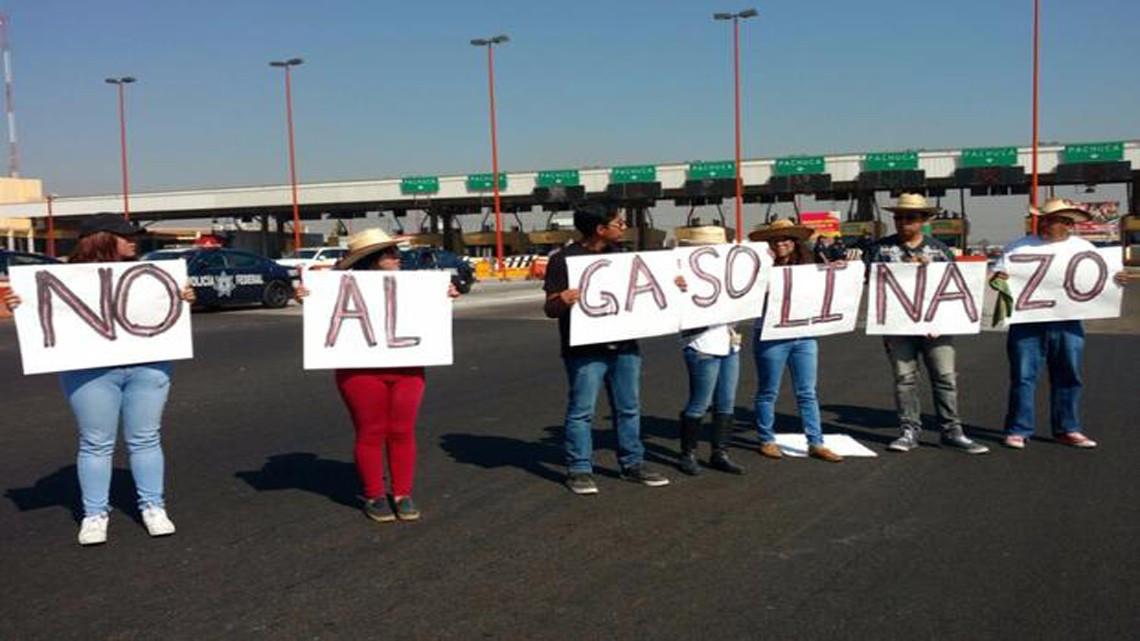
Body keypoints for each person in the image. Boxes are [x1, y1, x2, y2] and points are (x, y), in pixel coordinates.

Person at [2, 213, 196, 546]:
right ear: (102, 238)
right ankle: (95, 514)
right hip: (89, 370)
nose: (133, 240)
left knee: (146, 438)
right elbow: (37, 307)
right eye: (125, 235)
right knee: (95, 442)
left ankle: (153, 506)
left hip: (149, 365)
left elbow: (166, 306)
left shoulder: (149, 274)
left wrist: (186, 296)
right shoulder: (58, 277)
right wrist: (17, 302)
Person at [296, 227, 459, 523]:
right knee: (371, 430)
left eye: (396, 252)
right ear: (370, 259)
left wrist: (444, 296)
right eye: (389, 253)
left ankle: (402, 493)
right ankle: (374, 493)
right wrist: (306, 296)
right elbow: (320, 307)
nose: (397, 258)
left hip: (408, 368)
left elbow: (427, 315)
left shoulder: (413, 284)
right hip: (359, 371)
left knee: (402, 430)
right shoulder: (337, 286)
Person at [543, 202, 670, 495]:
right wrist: (562, 299)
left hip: (625, 346)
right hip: (585, 351)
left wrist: (672, 284)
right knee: (581, 411)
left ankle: (633, 463)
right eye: (619, 222)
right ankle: (579, 469)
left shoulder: (623, 257)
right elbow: (550, 308)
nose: (624, 227)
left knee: (628, 408)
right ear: (600, 229)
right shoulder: (563, 260)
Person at [991, 197, 1131, 450]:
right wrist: (999, 278)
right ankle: (1018, 429)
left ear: (1068, 224)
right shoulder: (1017, 248)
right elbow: (997, 281)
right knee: (1023, 377)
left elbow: (1101, 277)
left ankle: (1068, 428)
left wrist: (1117, 278)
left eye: (1054, 220)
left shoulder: (1083, 248)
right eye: (1045, 219)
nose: (1046, 224)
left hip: (1068, 320)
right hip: (1027, 323)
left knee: (1069, 376)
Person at [863, 194, 989, 455]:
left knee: (945, 378)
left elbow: (955, 287)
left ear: (923, 220)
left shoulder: (939, 250)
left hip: (936, 327)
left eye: (910, 218)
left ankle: (952, 431)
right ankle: (909, 430)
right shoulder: (878, 249)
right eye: (898, 217)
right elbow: (863, 280)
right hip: (897, 327)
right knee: (904, 379)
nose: (903, 222)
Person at [749, 219, 844, 463]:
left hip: (803, 335)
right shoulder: (758, 267)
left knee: (807, 392)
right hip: (770, 335)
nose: (780, 243)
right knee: (768, 390)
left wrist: (836, 269)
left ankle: (816, 442)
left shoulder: (808, 267)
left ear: (795, 242)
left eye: (785, 239)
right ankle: (767, 439)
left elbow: (824, 286)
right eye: (775, 239)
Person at [672, 225, 744, 476]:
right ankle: (688, 453)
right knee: (699, 403)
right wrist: (677, 286)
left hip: (729, 340)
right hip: (701, 342)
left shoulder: (730, 272)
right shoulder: (681, 274)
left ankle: (720, 452)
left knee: (726, 401)